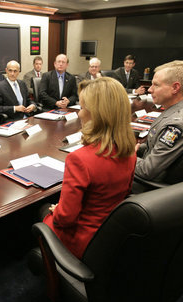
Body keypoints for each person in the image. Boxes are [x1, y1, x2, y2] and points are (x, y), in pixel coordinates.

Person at [41, 77, 137, 259]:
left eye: (83, 108)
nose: (79, 114)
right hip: (112, 233)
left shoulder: (80, 159)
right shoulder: (130, 150)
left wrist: (58, 209)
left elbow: (66, 219)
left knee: (44, 211)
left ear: (97, 114)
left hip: (83, 241)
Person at [135, 60, 183, 182]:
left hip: (149, 186)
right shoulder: (179, 110)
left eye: (156, 85)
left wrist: (125, 157)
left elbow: (147, 170)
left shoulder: (177, 125)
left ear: (175, 88)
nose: (150, 89)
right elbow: (155, 145)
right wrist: (135, 148)